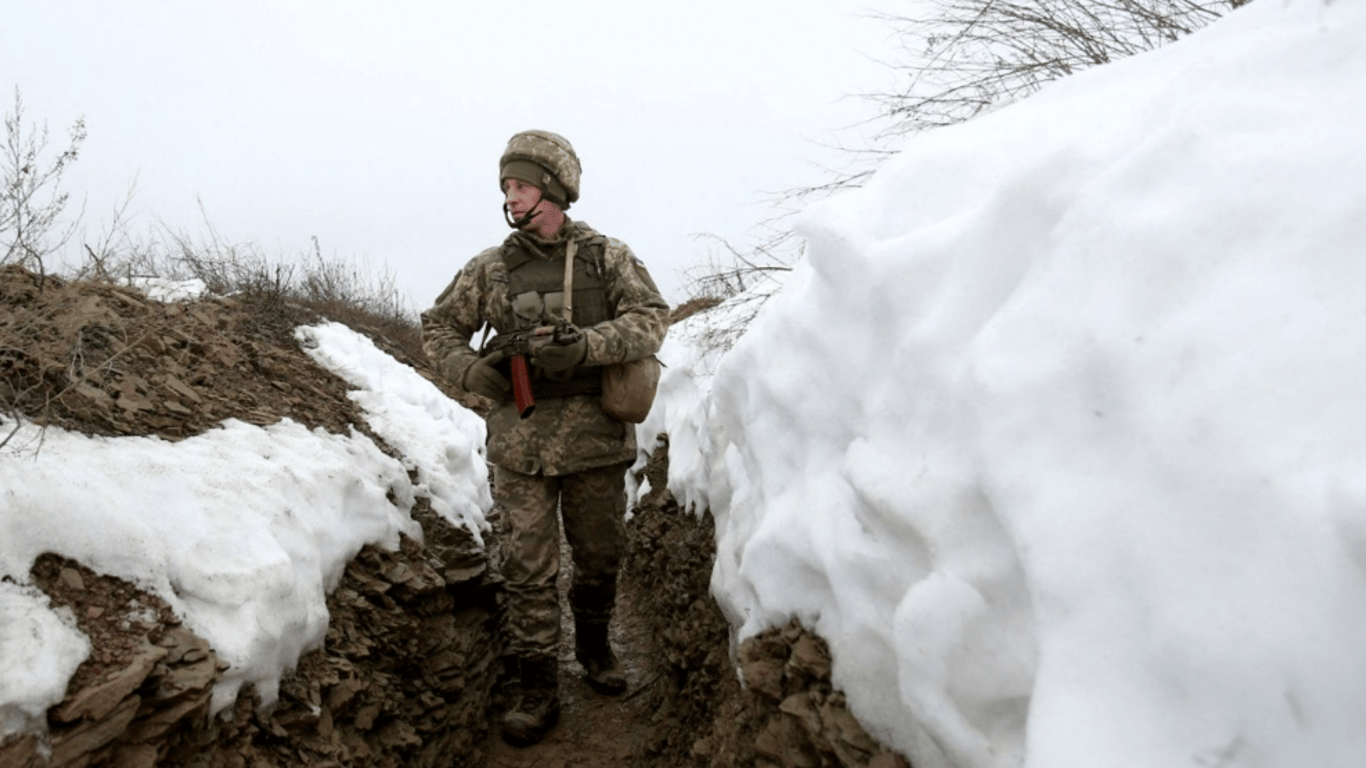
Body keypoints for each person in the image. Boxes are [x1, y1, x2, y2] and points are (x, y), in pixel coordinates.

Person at [420, 130, 669, 746]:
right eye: (506, 185)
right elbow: (437, 326)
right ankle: (535, 685)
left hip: (596, 442)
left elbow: (651, 319)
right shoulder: (489, 268)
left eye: (523, 184)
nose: (512, 195)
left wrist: (588, 346)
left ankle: (595, 649)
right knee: (527, 569)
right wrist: (469, 370)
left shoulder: (606, 257)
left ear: (554, 190)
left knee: (600, 557)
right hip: (521, 445)